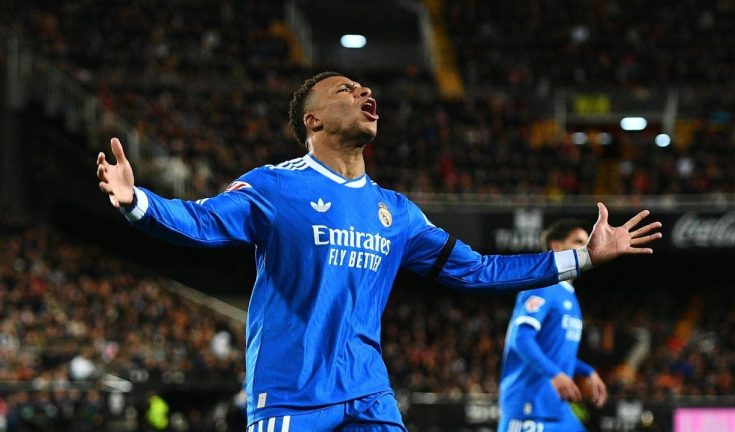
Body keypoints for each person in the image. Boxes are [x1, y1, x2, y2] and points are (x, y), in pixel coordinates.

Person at [96, 71, 661, 431]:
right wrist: (136, 201)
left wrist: (583, 258)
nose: (365, 93)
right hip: (291, 395)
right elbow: (200, 222)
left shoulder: (398, 213)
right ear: (311, 120)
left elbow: (478, 270)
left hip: (369, 394)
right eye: (345, 89)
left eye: (366, 90)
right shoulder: (274, 187)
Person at [497, 220, 608, 432]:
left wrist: (588, 371)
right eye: (578, 242)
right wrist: (555, 375)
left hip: (556, 408)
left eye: (587, 242)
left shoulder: (569, 296)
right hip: (528, 408)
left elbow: (556, 354)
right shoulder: (542, 285)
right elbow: (520, 339)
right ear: (556, 246)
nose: (586, 248)